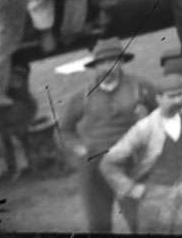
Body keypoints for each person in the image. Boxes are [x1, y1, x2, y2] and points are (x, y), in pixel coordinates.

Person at [55, 38, 158, 234]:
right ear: (95, 66)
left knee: (140, 221)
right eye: (102, 62)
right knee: (99, 225)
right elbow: (63, 129)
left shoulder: (139, 86)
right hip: (93, 166)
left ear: (121, 62)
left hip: (128, 163)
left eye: (113, 61)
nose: (107, 67)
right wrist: (79, 148)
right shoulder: (82, 96)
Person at [98, 72, 182, 235]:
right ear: (158, 98)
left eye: (181, 95)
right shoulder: (145, 128)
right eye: (171, 96)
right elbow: (108, 163)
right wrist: (131, 188)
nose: (178, 100)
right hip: (155, 195)